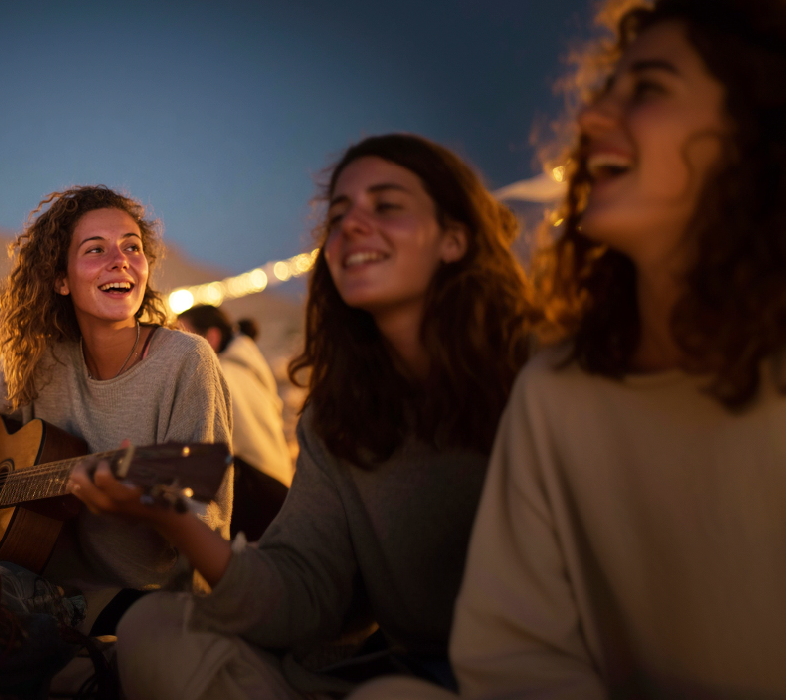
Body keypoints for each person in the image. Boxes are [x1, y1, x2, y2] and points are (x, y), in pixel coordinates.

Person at [389, 0, 783, 700]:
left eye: (650, 89)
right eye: (607, 88)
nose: (595, 116)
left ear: (756, 131)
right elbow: (515, 655)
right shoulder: (559, 393)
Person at [77, 134, 535, 698]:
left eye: (386, 206)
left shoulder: (543, 379)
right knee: (151, 628)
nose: (353, 227)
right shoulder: (341, 416)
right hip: (400, 674)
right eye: (338, 216)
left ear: (455, 239)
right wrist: (172, 519)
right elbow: (301, 597)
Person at [0, 185, 232, 601]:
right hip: (43, 579)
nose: (120, 261)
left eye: (132, 247)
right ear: (61, 280)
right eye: (95, 250)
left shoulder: (186, 362)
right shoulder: (41, 361)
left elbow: (205, 517)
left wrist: (146, 506)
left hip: (148, 598)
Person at [177, 304, 293, 539]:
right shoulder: (246, 366)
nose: (178, 348)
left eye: (185, 338)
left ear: (212, 337)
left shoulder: (222, 375)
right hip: (280, 483)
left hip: (259, 491)